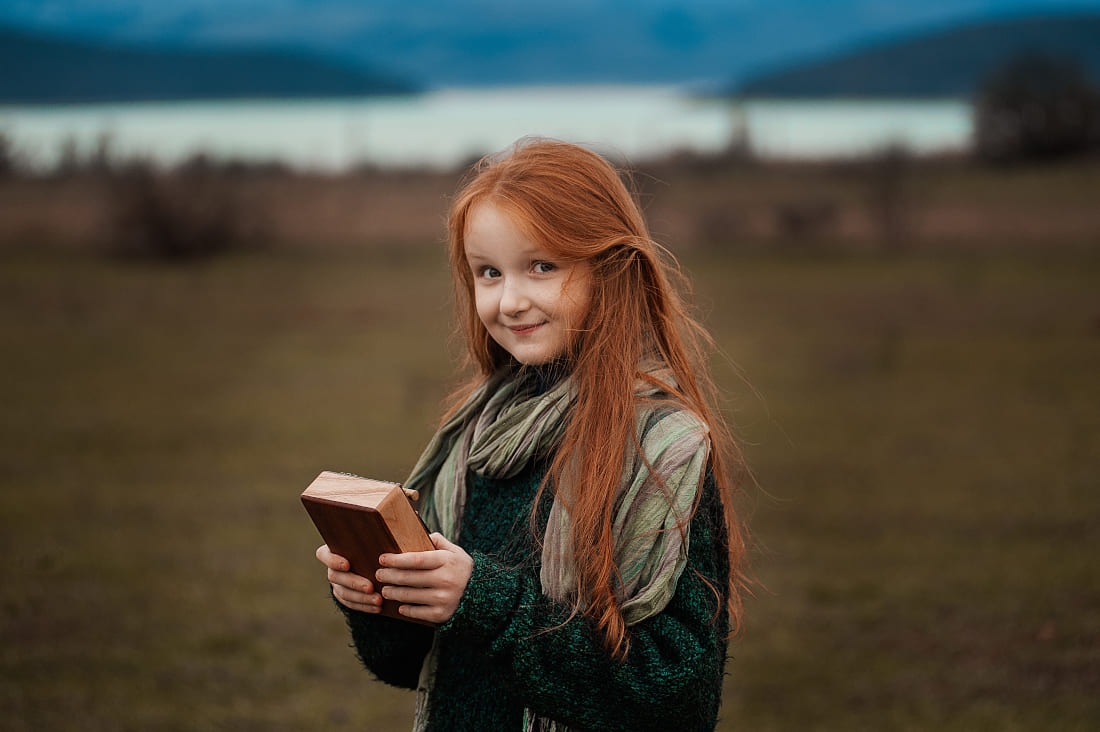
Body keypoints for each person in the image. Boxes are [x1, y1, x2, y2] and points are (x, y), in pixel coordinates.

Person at [316, 138, 750, 731]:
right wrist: (373, 596)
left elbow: (675, 699)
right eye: (488, 272)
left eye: (541, 266)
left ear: (610, 268)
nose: (511, 300)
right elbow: (403, 663)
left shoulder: (664, 452)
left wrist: (483, 603)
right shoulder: (475, 438)